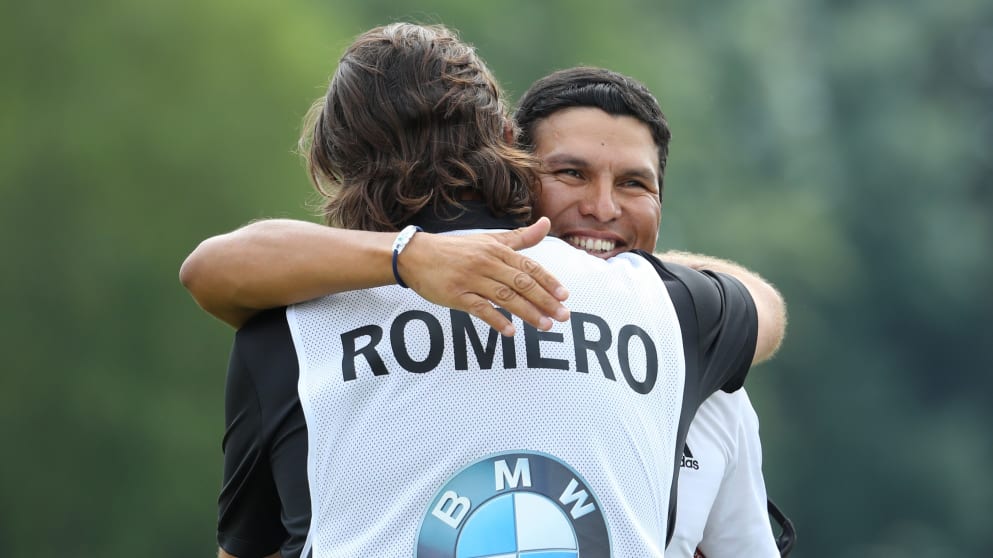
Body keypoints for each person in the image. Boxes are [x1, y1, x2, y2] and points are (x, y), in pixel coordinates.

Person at [182, 23, 786, 557]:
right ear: (505, 137)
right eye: (573, 173)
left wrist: (406, 258)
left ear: (335, 164)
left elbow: (210, 269)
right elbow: (763, 308)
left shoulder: (286, 325)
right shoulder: (672, 313)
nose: (601, 208)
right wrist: (623, 272)